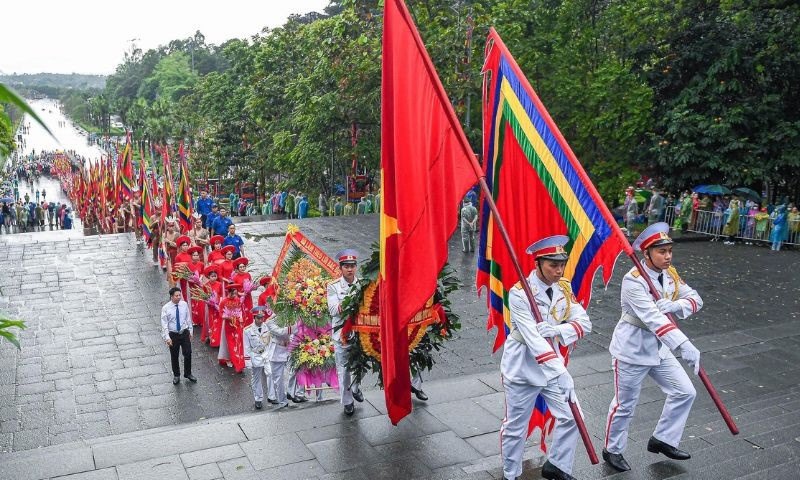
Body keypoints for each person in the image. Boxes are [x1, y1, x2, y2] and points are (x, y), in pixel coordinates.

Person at [603, 222, 702, 473]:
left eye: (669, 251)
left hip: (659, 349)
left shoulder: (671, 274)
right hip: (632, 349)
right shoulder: (633, 280)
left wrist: (677, 306)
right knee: (625, 405)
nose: (668, 256)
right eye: (661, 252)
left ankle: (663, 439)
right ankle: (612, 450)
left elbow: (695, 299)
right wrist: (684, 343)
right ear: (646, 254)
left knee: (685, 391)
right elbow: (653, 319)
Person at [500, 235, 590, 480]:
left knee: (573, 417)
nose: (559, 270)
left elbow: (584, 323)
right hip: (523, 366)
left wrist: (559, 330)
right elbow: (533, 339)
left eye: (562, 264)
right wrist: (561, 373)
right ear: (537, 263)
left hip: (552, 366)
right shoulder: (520, 293)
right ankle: (510, 473)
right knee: (516, 427)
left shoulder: (563, 287)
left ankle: (557, 465)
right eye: (553, 265)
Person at [327, 249, 363, 416]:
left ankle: (356, 388)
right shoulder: (333, 286)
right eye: (346, 266)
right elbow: (334, 309)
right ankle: (348, 401)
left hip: (359, 333)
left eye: (352, 266)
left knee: (360, 366)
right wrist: (352, 303)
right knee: (344, 370)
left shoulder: (363, 284)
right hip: (341, 335)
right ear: (340, 268)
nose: (350, 269)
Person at [161, 287, 197, 385]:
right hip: (173, 334)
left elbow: (188, 318)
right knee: (174, 355)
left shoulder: (184, 304)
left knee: (188, 353)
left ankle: (188, 373)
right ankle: (176, 375)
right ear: (171, 296)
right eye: (176, 296)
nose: (178, 297)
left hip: (184, 332)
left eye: (179, 295)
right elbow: (164, 324)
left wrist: (190, 331)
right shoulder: (166, 308)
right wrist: (167, 337)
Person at [244, 306, 276, 409]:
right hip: (255, 355)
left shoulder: (266, 327)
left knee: (270, 373)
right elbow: (246, 347)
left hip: (266, 354)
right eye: (258, 318)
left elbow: (270, 342)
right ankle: (258, 398)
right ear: (254, 317)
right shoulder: (247, 330)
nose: (261, 320)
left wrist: (270, 354)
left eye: (262, 317)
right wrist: (248, 362)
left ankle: (271, 396)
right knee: (256, 378)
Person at [266, 303, 293, 409]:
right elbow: (281, 332)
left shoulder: (289, 317)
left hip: (289, 349)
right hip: (277, 352)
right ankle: (282, 401)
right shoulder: (270, 322)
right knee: (278, 379)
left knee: (295, 371)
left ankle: (292, 393)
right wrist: (295, 327)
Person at [218, 283, 246, 372]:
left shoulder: (237, 300)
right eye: (233, 293)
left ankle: (239, 360)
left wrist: (240, 317)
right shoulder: (223, 302)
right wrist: (228, 317)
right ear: (229, 293)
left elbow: (240, 310)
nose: (235, 295)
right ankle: (233, 360)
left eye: (236, 293)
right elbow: (221, 314)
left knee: (238, 342)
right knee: (230, 343)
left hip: (237, 324)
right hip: (228, 325)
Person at [231, 257, 253, 327]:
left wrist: (252, 288)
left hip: (248, 296)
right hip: (240, 297)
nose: (242, 268)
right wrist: (240, 294)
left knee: (249, 309)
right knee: (242, 310)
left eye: (243, 266)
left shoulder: (248, 274)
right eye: (240, 267)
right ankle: (243, 325)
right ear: (237, 268)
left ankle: (250, 324)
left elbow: (251, 283)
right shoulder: (235, 277)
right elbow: (233, 290)